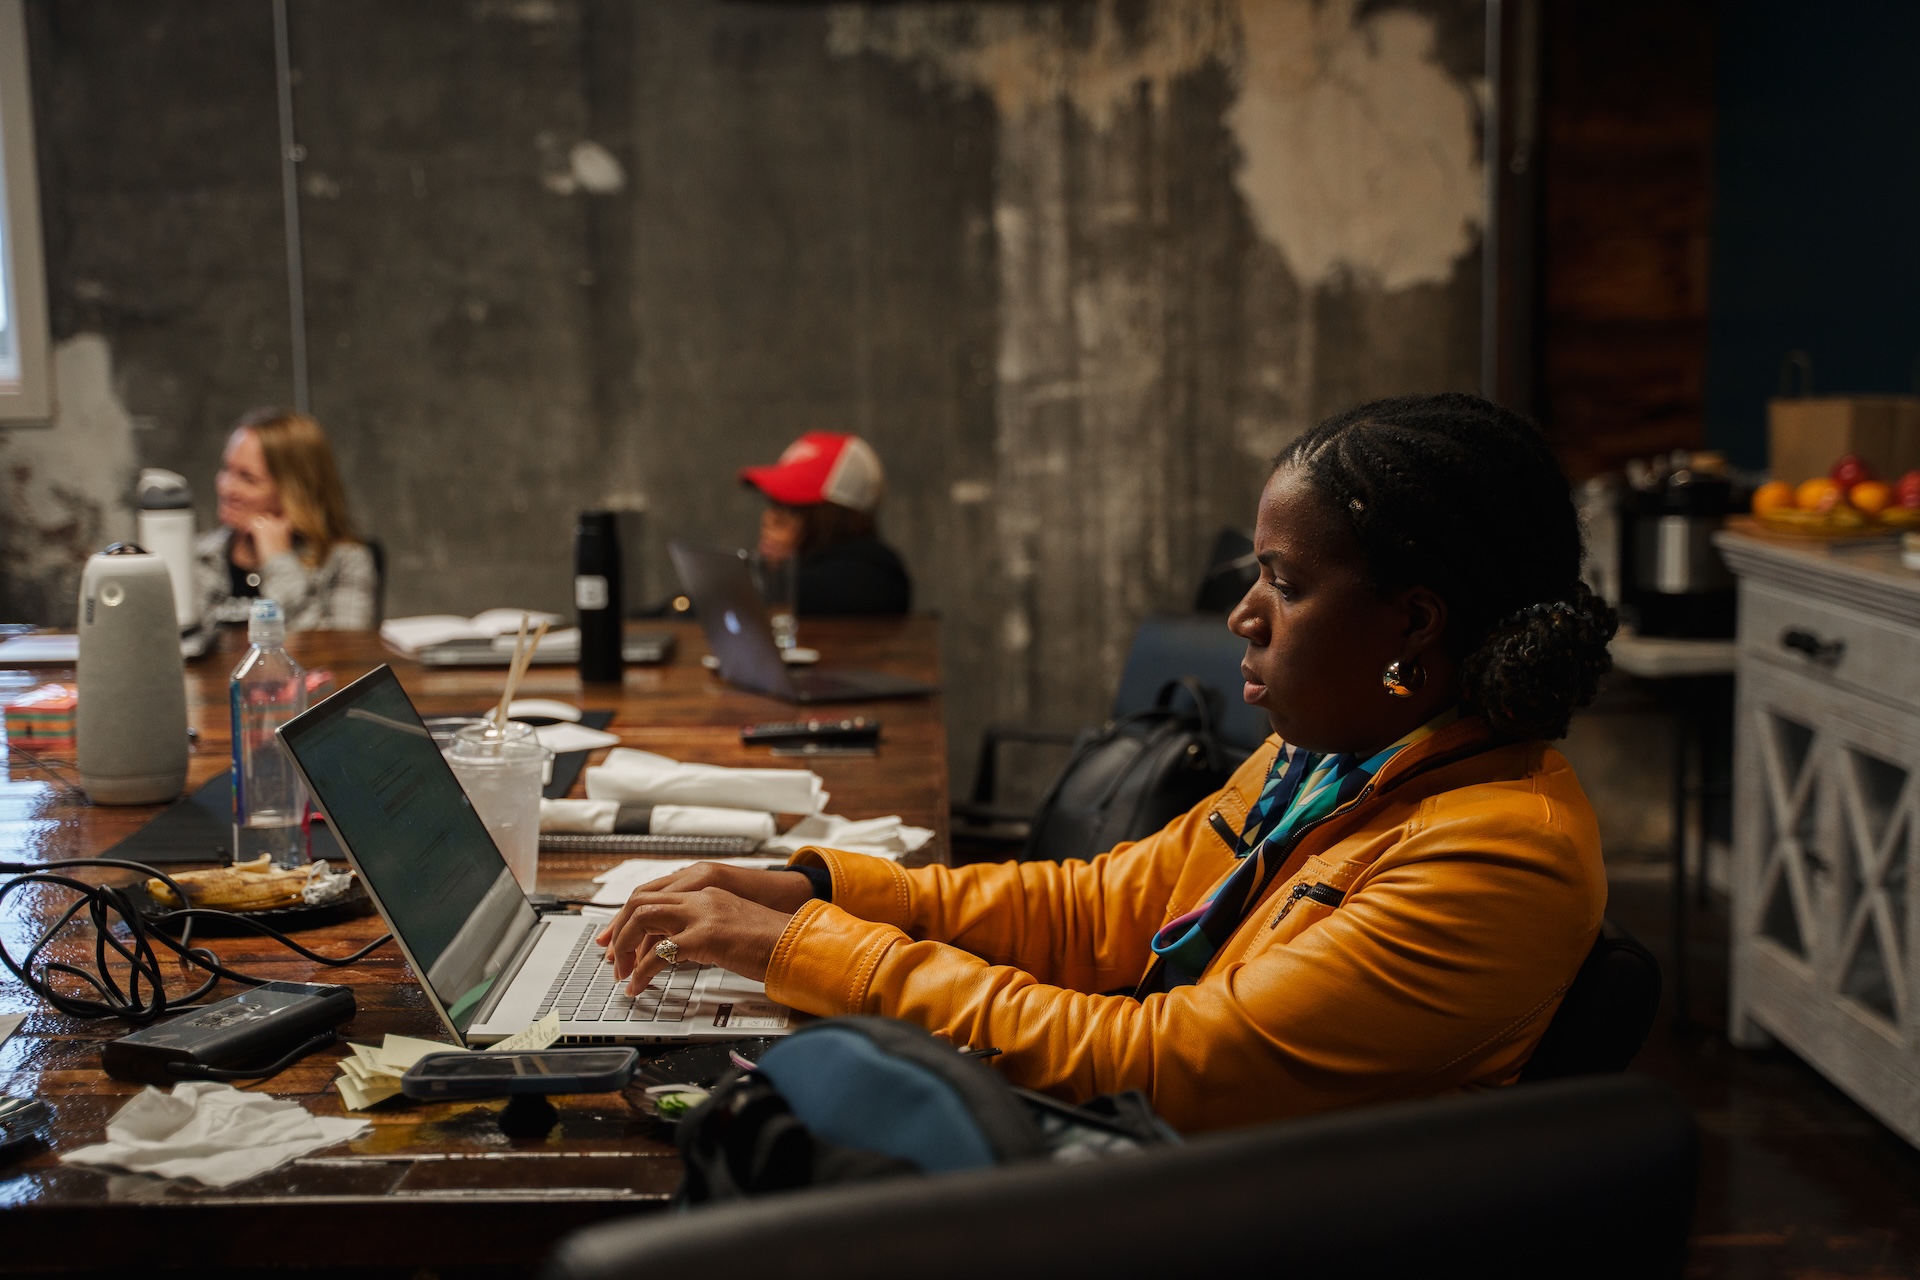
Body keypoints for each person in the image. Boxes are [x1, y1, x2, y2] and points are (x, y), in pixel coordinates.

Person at [599, 394, 1617, 1133]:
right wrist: (815, 884)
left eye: (1285, 583)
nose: (1243, 615)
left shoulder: (1496, 853)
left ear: (1415, 622)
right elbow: (1097, 912)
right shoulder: (1321, 760)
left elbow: (1154, 1064)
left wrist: (804, 947)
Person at [193, 408, 376, 632]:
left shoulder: (346, 561)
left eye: (248, 478)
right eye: (227, 469)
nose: (226, 487)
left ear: (295, 491)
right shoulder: (197, 557)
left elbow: (339, 653)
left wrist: (278, 561)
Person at [740, 431, 912, 616]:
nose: (770, 519)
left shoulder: (874, 576)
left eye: (793, 508)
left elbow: (816, 589)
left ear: (837, 518)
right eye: (773, 503)